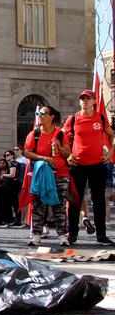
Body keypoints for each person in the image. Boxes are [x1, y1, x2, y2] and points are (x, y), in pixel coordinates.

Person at [63, 89, 115, 245]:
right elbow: (60, 139)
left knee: (98, 200)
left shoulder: (101, 118)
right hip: (77, 165)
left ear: (94, 101)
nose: (84, 101)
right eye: (82, 99)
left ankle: (101, 235)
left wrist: (111, 151)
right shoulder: (72, 120)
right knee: (74, 201)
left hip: (97, 165)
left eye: (88, 98)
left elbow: (112, 135)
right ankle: (72, 234)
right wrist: (68, 155)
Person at [23, 105, 71, 246]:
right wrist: (45, 159)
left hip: (60, 174)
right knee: (38, 204)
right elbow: (27, 152)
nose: (39, 115)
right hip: (42, 174)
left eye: (43, 113)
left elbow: (68, 154)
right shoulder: (34, 134)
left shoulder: (61, 134)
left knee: (60, 205)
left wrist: (60, 147)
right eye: (38, 113)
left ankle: (62, 235)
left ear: (52, 117)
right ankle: (36, 235)